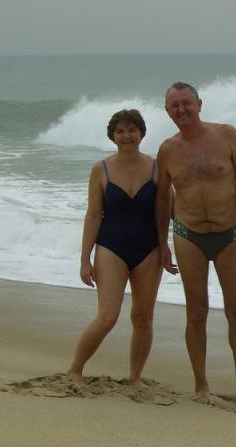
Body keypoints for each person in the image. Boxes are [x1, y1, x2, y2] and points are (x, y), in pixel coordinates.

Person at [156, 82, 236, 410]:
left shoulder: (226, 135)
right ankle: (201, 386)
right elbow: (162, 200)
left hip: (230, 236)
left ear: (199, 104)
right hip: (188, 235)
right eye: (174, 106)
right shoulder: (167, 150)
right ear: (167, 112)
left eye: (186, 103)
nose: (181, 110)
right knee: (196, 313)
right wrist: (162, 243)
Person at [68, 109, 175, 386]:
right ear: (112, 136)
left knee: (143, 318)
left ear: (141, 133)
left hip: (149, 250)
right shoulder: (101, 169)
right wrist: (84, 259)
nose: (126, 136)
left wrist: (170, 244)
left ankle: (135, 377)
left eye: (132, 130)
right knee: (107, 317)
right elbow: (93, 215)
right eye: (120, 131)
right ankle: (75, 371)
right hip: (110, 248)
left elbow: (171, 210)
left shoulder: (157, 168)